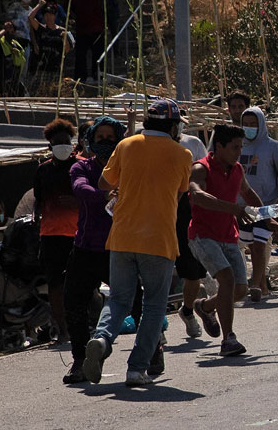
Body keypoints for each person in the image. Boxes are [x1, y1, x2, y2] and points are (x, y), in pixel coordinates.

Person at [83, 99, 192, 387]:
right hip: (158, 240)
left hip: (122, 236)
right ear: (172, 126)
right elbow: (180, 193)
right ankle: (136, 368)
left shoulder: (126, 145)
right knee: (154, 305)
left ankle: (102, 340)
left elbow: (104, 185)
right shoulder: (182, 154)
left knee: (118, 299)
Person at [189, 124, 263, 356]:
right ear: (218, 146)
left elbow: (248, 194)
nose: (238, 152)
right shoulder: (200, 168)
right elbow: (197, 196)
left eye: (241, 147)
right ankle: (228, 339)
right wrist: (234, 208)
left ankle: (205, 306)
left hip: (228, 235)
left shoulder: (238, 169)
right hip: (203, 236)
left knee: (241, 290)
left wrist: (265, 217)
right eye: (234, 147)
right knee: (228, 280)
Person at [62, 116, 125, 384]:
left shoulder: (129, 167)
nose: (105, 143)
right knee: (74, 303)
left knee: (135, 302)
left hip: (121, 247)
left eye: (111, 138)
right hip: (86, 247)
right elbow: (81, 189)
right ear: (90, 142)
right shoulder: (81, 168)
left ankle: (153, 347)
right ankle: (79, 360)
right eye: (100, 138)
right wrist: (106, 195)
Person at [238, 107, 278, 301]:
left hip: (268, 205)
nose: (249, 128)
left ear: (261, 124)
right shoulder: (237, 145)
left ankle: (256, 284)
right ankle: (261, 285)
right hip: (241, 206)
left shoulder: (271, 147)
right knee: (251, 246)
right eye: (246, 124)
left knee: (260, 244)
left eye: (253, 124)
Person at [34, 119, 80, 343]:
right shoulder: (43, 171)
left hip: (80, 234)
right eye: (57, 142)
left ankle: (82, 323)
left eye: (66, 141)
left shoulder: (82, 166)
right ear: (49, 146)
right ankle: (62, 329)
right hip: (51, 235)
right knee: (55, 284)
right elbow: (38, 202)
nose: (62, 145)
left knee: (81, 283)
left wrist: (76, 202)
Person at [175, 114, 210, 339]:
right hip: (156, 210)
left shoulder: (193, 144)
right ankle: (155, 328)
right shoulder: (144, 143)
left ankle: (188, 310)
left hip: (186, 212)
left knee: (193, 274)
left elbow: (206, 176)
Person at [68, 0, 105, 83]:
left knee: (98, 55)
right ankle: (80, 78)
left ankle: (98, 76)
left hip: (96, 29)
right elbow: (68, 9)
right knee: (80, 55)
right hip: (82, 29)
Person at [27, 0, 70, 76]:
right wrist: (39, 5)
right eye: (46, 15)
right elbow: (30, 17)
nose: (49, 17)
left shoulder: (62, 31)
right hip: (41, 68)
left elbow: (67, 50)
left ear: (55, 16)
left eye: (51, 15)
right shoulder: (41, 28)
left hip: (56, 69)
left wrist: (65, 38)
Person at [6, 0, 37, 76]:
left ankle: (20, 85)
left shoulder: (31, 10)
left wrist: (34, 44)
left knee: (24, 66)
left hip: (26, 41)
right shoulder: (15, 6)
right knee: (14, 65)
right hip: (15, 40)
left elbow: (31, 28)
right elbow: (8, 21)